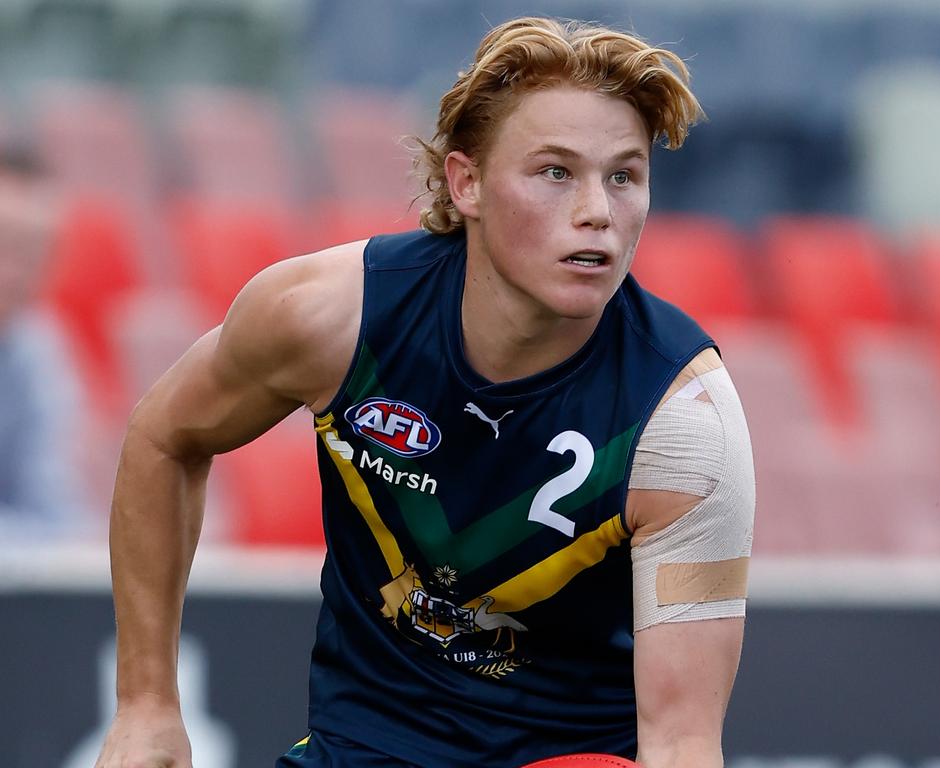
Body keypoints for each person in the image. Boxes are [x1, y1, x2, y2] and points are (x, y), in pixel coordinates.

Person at [95, 16, 755, 768]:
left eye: (624, 176)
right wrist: (146, 705)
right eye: (555, 172)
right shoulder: (326, 317)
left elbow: (682, 744)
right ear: (465, 182)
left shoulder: (686, 424)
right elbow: (164, 438)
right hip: (361, 751)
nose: (599, 211)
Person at [0, 144, 92, 540]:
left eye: (37, 253)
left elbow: (54, 511)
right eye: (7, 246)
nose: (18, 273)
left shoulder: (38, 349)